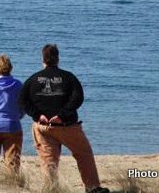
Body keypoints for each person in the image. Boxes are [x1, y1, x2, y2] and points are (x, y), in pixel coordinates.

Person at [19, 44, 109, 193]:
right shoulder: (68, 77)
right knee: (83, 154)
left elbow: (22, 99)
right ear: (58, 59)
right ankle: (92, 188)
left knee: (48, 161)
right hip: (67, 126)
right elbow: (78, 98)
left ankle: (51, 189)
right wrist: (62, 116)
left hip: (43, 126)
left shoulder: (33, 79)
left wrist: (37, 115)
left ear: (43, 59)